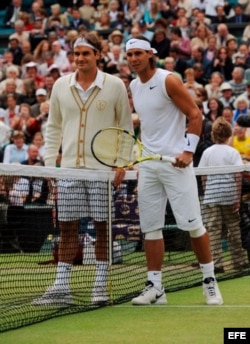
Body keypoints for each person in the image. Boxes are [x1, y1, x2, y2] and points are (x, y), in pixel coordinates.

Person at [32, 32, 133, 306]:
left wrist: (122, 162)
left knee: (102, 228)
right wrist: (50, 164)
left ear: (97, 55)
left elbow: (125, 126)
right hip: (68, 171)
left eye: (86, 53)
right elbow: (52, 127)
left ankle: (100, 286)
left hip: (101, 171)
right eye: (76, 54)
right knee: (67, 229)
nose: (80, 58)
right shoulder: (60, 86)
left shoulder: (115, 86)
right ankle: (61, 287)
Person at [125, 36, 223, 305]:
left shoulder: (168, 80)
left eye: (138, 54)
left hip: (176, 164)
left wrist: (189, 151)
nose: (133, 59)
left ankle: (209, 281)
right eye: (129, 54)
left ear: (150, 54)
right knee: (151, 228)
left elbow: (194, 114)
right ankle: (155, 287)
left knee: (193, 225)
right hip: (148, 165)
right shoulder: (134, 85)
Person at [198, 117, 249, 272]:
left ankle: (217, 264)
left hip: (212, 196)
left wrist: (207, 192)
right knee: (234, 229)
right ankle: (239, 262)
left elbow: (203, 176)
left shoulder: (207, 152)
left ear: (213, 134)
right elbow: (238, 176)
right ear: (228, 134)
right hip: (229, 195)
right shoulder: (233, 152)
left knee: (213, 231)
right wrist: (237, 198)